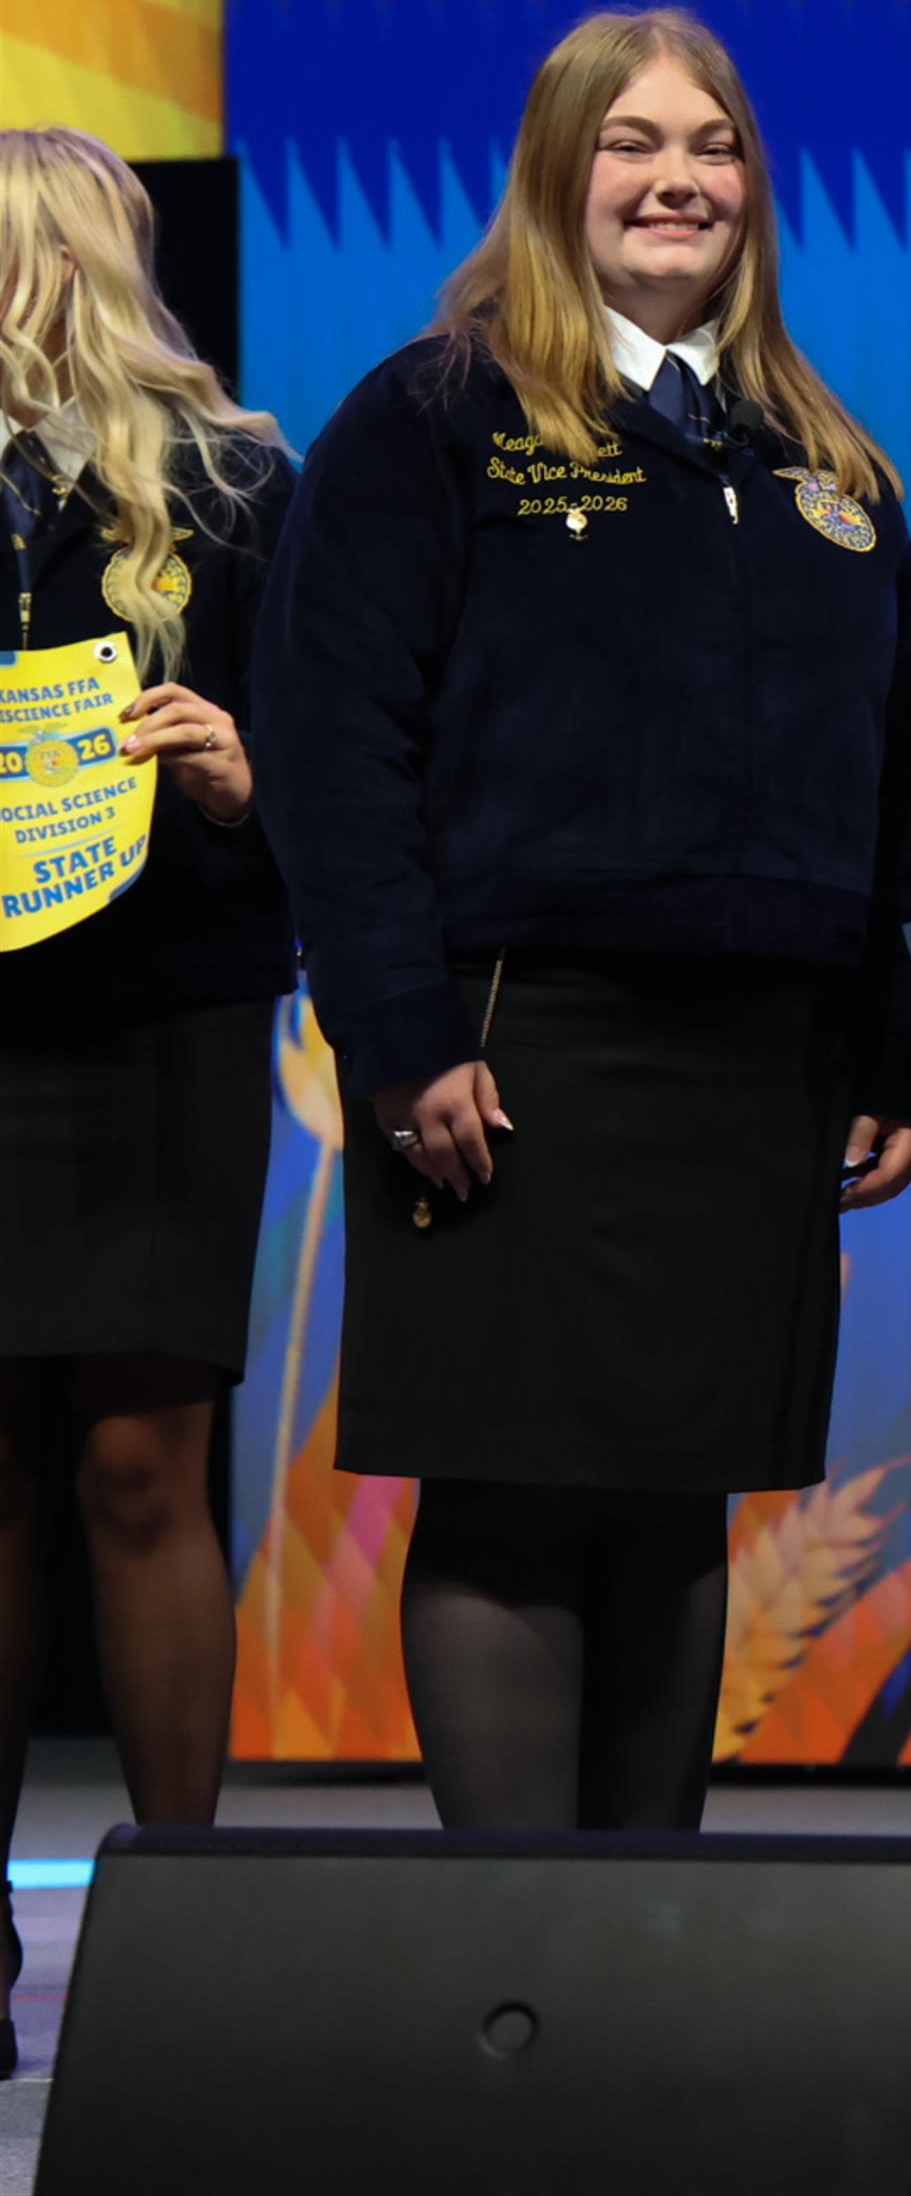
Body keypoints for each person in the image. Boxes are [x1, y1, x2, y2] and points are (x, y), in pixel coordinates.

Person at [252, 7, 911, 1839]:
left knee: (674, 1495)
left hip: (759, 1073)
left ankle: (638, 1948)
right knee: (506, 1492)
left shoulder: (831, 467)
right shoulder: (431, 417)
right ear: (558, 173)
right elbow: (330, 745)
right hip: (508, 1051)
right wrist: (400, 1034)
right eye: (631, 142)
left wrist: (899, 1053)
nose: (675, 179)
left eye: (711, 145)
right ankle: (518, 1960)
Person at [0, 129, 294, 2082]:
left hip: (166, 1013)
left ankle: (181, 1927)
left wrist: (237, 772)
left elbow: (331, 769)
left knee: (139, 1465)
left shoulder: (239, 481)